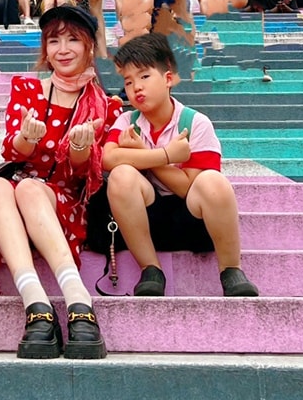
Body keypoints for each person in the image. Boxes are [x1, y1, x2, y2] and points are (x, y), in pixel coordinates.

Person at [0, 5, 123, 360]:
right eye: (54, 40)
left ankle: (78, 301)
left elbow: (84, 178)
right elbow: (12, 149)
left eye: (73, 39)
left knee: (28, 188)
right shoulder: (27, 88)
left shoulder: (106, 106)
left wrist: (80, 149)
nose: (63, 49)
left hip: (63, 207)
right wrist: (27, 137)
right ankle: (36, 306)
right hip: (8, 208)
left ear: (90, 46)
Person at [103, 33, 259, 299]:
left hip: (192, 219)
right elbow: (108, 158)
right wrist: (164, 155)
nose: (136, 88)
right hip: (146, 217)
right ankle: (151, 269)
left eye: (144, 76)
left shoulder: (196, 123)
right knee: (121, 175)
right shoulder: (127, 121)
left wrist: (143, 153)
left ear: (168, 79)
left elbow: (189, 186)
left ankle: (231, 270)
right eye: (128, 82)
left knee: (214, 182)